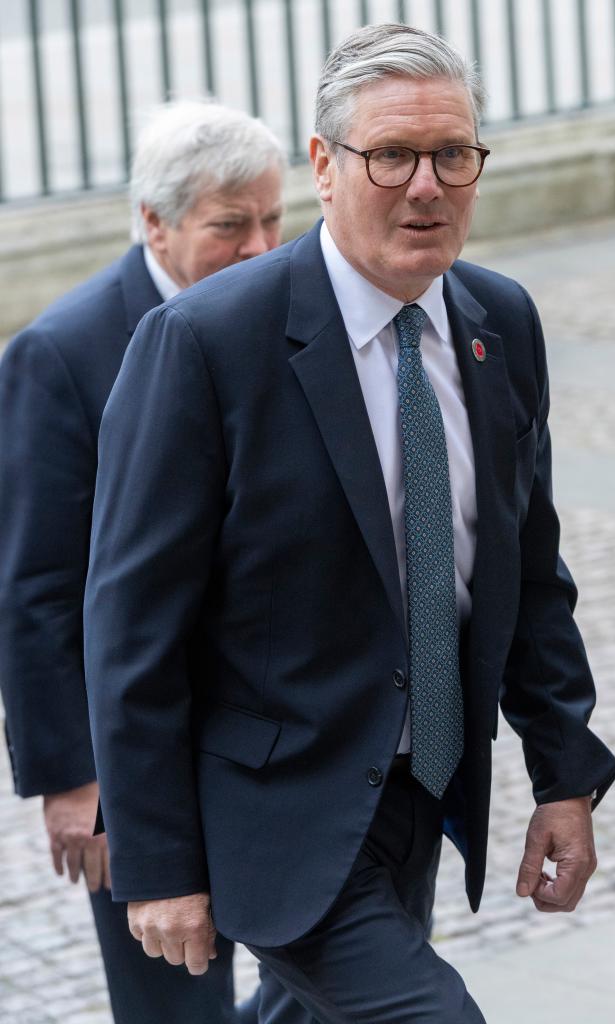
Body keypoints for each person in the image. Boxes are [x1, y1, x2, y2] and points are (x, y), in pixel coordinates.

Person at [83, 24, 615, 1023]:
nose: (426, 186)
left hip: (420, 789)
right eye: (391, 155)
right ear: (324, 167)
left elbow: (527, 571)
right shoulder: (204, 343)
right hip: (274, 808)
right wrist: (156, 863)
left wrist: (564, 777)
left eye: (451, 154)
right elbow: (132, 624)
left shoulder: (499, 322)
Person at [0, 99, 286, 1024]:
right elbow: (36, 587)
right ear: (155, 222)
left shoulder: (288, 312)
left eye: (273, 219)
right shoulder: (60, 352)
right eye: (229, 225)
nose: (260, 246)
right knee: (174, 1005)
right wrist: (72, 778)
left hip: (278, 735)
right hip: (140, 761)